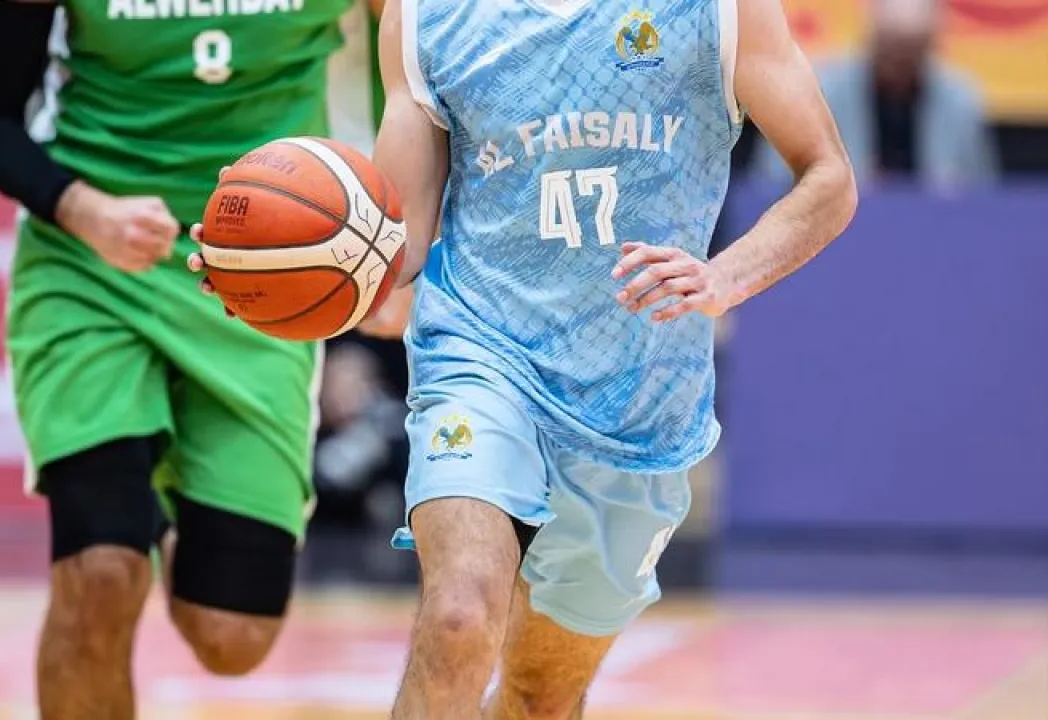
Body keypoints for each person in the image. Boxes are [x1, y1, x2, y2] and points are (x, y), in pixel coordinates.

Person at [358, 0, 858, 716]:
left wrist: (725, 277)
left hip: (636, 399)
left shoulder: (719, 10)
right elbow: (396, 249)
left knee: (540, 696)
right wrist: (287, 279)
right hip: (481, 355)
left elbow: (829, 178)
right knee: (458, 617)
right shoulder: (424, 16)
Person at [0, 1, 378, 717]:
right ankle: (122, 509)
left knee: (232, 635)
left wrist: (391, 234)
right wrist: (83, 209)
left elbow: (407, 73)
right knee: (101, 573)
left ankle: (144, 504)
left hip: (261, 274)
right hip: (92, 257)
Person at [753, 0, 998, 190]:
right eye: (893, 50)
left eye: (911, 52)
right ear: (872, 40)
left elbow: (984, 195)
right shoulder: (818, 92)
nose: (901, 64)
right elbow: (769, 183)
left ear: (930, 46)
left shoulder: (960, 102)